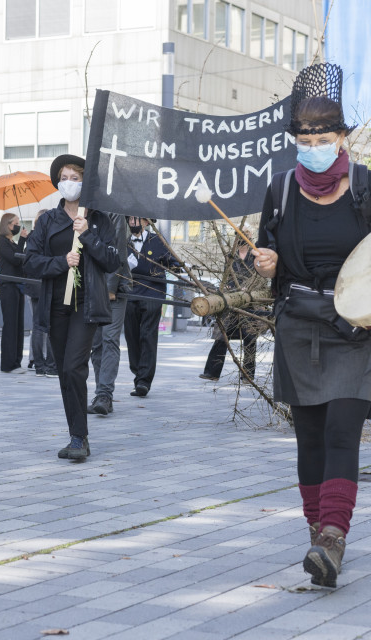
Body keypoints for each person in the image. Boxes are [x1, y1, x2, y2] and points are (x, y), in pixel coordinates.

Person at [253, 63, 371, 588]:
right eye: (304, 137)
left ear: (342, 137)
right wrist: (263, 263)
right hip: (298, 324)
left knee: (344, 430)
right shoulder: (279, 190)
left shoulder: (365, 186)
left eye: (323, 136)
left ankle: (333, 538)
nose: (314, 144)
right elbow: (260, 253)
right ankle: (315, 534)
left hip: (354, 328)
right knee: (311, 440)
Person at [24, 154, 120, 460]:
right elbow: (30, 260)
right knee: (65, 374)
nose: (69, 182)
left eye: (76, 178)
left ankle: (80, 438)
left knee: (72, 367)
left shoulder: (100, 219)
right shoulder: (49, 220)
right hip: (55, 306)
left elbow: (112, 260)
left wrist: (87, 234)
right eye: (64, 177)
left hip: (86, 305)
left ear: (85, 182)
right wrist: (60, 262)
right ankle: (76, 436)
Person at [124, 216, 179, 397]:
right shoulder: (122, 241)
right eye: (130, 219)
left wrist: (178, 266)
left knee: (147, 334)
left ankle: (144, 381)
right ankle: (138, 372)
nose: (133, 222)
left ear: (147, 222)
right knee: (132, 336)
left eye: (137, 219)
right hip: (129, 292)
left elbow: (172, 260)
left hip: (152, 293)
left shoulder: (157, 240)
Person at [199, 232, 259, 382]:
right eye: (238, 235)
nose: (241, 238)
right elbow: (227, 275)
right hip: (231, 299)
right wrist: (225, 286)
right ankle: (212, 372)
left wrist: (249, 288)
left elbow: (260, 277)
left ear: (250, 237)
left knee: (250, 337)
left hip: (250, 300)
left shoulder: (256, 254)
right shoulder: (231, 255)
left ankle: (248, 375)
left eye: (245, 235)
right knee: (222, 334)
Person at [88, 212, 131, 415]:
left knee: (109, 339)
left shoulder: (113, 211)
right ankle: (101, 394)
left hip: (113, 288)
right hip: (90, 286)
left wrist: (111, 287)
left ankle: (104, 394)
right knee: (96, 344)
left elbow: (119, 250)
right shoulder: (82, 211)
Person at [25, 210, 56, 377]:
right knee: (50, 325)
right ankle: (51, 365)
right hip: (45, 284)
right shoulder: (50, 236)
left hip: (33, 285)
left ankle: (38, 365)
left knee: (38, 325)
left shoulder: (32, 237)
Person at [0, 213, 28, 373]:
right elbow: (16, 259)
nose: (18, 225)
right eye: (16, 223)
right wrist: (22, 239)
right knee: (11, 325)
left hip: (18, 285)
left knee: (18, 325)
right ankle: (9, 364)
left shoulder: (12, 242)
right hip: (8, 286)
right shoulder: (2, 243)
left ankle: (17, 361)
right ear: (8, 225)